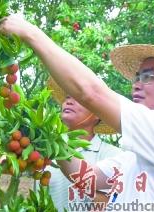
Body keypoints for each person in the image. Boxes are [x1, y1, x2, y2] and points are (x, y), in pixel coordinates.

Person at [0, 15, 154, 211]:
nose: (136, 84)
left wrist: (30, 33)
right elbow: (87, 179)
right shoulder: (135, 157)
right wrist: (49, 138)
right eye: (137, 77)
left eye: (147, 76)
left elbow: (91, 93)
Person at [44, 78, 122, 211]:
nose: (68, 101)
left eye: (79, 99)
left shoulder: (112, 155)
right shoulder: (46, 149)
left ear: (97, 114)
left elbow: (111, 203)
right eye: (67, 97)